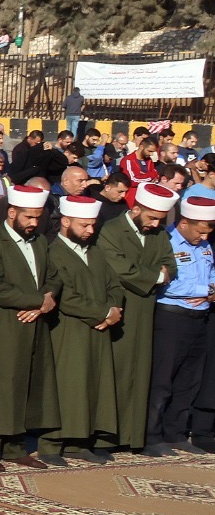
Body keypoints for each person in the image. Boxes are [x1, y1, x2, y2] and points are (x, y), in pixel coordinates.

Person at [0, 184, 60, 465]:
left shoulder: (39, 242)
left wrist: (45, 301)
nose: (34, 223)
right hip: (6, 324)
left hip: (34, 322)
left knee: (27, 382)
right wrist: (38, 301)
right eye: (29, 217)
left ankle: (14, 445)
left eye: (38, 218)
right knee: (1, 383)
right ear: (12, 213)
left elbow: (54, 276)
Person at [100, 180, 176, 454]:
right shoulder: (111, 230)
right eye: (152, 218)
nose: (155, 224)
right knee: (116, 372)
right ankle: (105, 439)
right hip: (120, 309)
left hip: (145, 312)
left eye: (160, 219)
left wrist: (152, 272)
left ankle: (133, 437)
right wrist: (155, 275)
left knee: (140, 373)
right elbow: (121, 269)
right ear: (137, 209)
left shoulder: (160, 234)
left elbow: (172, 265)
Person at [44, 194, 123, 463]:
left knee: (92, 384)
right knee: (68, 385)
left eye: (92, 225)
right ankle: (54, 443)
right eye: (84, 225)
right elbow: (66, 297)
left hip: (98, 330)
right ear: (65, 221)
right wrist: (104, 312)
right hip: (69, 331)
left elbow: (114, 285)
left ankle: (81, 441)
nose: (90, 231)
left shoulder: (96, 252)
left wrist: (114, 310)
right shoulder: (53, 252)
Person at [150, 193, 215, 452]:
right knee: (162, 380)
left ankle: (175, 433)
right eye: (200, 231)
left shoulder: (204, 245)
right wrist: (205, 290)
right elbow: (170, 283)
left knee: (189, 381)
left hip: (199, 319)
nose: (205, 237)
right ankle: (151, 435)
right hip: (172, 317)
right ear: (185, 222)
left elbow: (212, 273)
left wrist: (209, 291)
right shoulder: (165, 241)